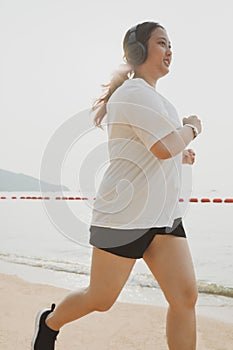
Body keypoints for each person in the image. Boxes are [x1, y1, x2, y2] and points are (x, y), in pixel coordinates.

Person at [32, 21, 202, 350]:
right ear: (138, 52)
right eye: (162, 43)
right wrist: (191, 129)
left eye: (170, 45)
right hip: (124, 217)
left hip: (163, 217)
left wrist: (181, 153)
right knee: (101, 298)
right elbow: (163, 146)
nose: (169, 50)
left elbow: (151, 150)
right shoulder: (133, 93)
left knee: (185, 298)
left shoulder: (158, 100)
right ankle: (49, 322)